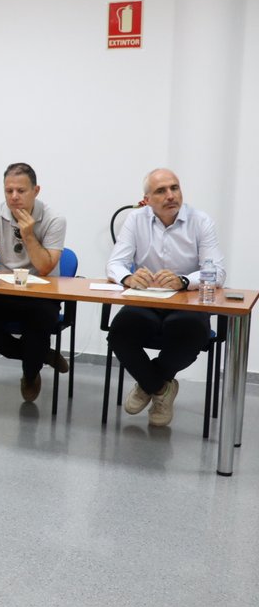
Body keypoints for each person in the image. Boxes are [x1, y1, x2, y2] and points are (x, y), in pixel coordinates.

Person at [106, 168, 224, 427]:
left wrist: (185, 280)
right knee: (119, 332)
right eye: (161, 191)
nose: (171, 195)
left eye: (175, 188)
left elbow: (217, 271)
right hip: (148, 298)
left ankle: (149, 383)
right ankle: (161, 388)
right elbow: (114, 264)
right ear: (147, 199)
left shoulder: (200, 221)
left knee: (191, 331)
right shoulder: (135, 219)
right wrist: (128, 278)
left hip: (187, 300)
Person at [0, 162, 70, 402]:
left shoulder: (54, 220)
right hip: (4, 293)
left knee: (39, 322)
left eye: (20, 191)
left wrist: (29, 235)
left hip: (42, 296)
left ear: (36, 191)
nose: (14, 197)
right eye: (8, 191)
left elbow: (45, 267)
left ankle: (31, 373)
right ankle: (41, 356)